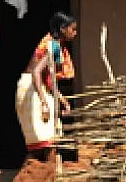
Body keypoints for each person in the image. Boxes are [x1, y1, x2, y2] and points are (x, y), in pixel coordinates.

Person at [14, 12, 78, 161]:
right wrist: (44, 103)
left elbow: (49, 79)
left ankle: (45, 177)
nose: (75, 33)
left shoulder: (56, 45)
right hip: (32, 87)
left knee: (49, 136)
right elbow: (37, 72)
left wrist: (61, 99)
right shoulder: (53, 45)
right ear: (63, 29)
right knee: (45, 138)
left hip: (36, 86)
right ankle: (38, 177)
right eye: (72, 29)